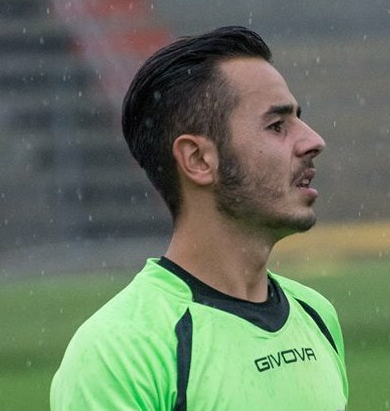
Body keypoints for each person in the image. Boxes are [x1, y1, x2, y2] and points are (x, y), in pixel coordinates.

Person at [50, 26, 348, 410]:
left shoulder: (316, 314)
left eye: (298, 120)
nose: (313, 140)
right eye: (277, 126)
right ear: (198, 160)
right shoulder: (119, 352)